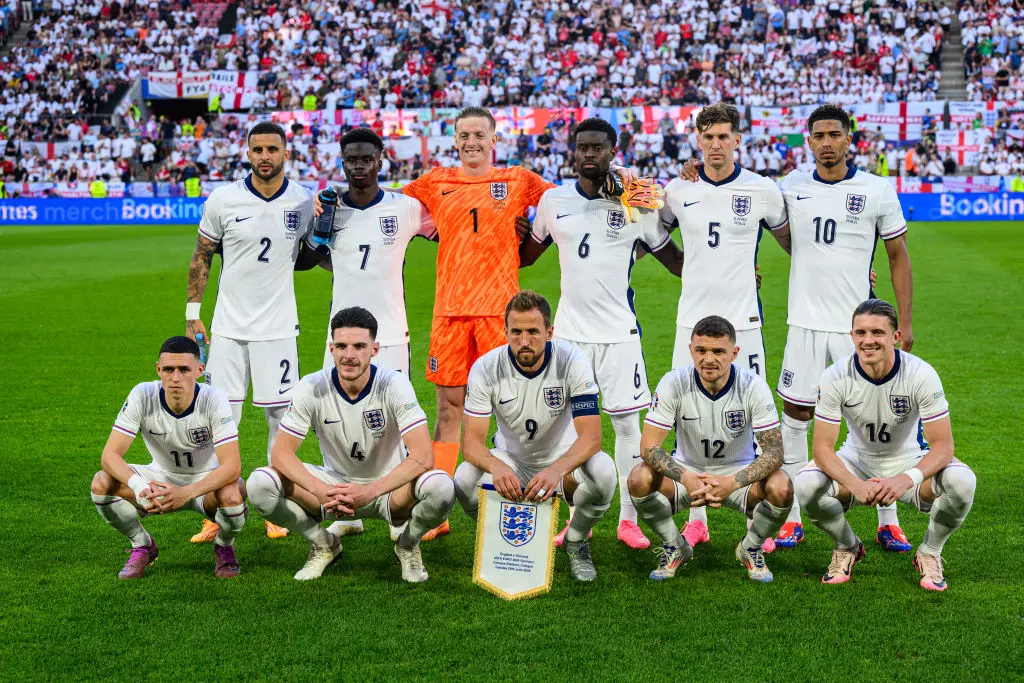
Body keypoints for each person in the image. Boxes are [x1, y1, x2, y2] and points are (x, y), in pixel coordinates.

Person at [520, 117, 683, 550]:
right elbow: (526, 254)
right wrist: (512, 233)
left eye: (598, 148)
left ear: (614, 151)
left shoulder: (635, 202)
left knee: (628, 426)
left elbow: (677, 259)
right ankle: (580, 517)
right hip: (571, 338)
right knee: (573, 431)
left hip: (620, 335)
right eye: (582, 148)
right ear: (573, 151)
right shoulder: (554, 202)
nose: (588, 154)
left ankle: (627, 520)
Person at [774, 104, 915, 552]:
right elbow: (766, 225)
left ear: (849, 138)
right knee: (795, 416)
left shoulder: (875, 189)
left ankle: (887, 517)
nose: (828, 142)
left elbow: (897, 256)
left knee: (872, 417)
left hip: (860, 329)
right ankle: (792, 515)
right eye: (820, 135)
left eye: (836, 134)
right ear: (809, 140)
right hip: (804, 325)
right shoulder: (790, 186)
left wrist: (904, 323)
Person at [660, 102, 791, 550]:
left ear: (738, 139)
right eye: (708, 137)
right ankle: (696, 517)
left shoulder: (762, 189)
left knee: (754, 420)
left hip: (745, 324)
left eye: (724, 137)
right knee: (685, 419)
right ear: (697, 139)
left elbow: (796, 243)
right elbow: (649, 237)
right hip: (689, 326)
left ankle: (758, 517)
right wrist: (685, 268)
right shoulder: (678, 190)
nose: (716, 145)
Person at [296, 127, 437, 540]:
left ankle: (396, 509)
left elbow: (447, 231)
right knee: (333, 419)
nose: (358, 165)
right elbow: (304, 260)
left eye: (366, 158)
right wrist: (320, 226)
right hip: (340, 339)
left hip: (391, 333)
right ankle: (345, 505)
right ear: (342, 161)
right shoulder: (330, 207)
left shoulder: (406, 207)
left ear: (381, 159)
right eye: (351, 159)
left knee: (397, 421)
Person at [246, 307, 455, 583]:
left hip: (389, 490)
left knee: (442, 487)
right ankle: (324, 543)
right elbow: (281, 454)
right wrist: (321, 490)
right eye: (341, 346)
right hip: (334, 487)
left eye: (359, 346)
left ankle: (407, 544)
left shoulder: (394, 384)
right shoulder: (311, 386)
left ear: (375, 349)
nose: (349, 355)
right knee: (258, 484)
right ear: (331, 349)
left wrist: (370, 491)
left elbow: (423, 455)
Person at [184, 121, 314, 542]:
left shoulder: (303, 201)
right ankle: (216, 506)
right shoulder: (223, 199)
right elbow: (202, 254)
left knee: (280, 418)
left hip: (278, 330)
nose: (264, 156)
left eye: (271, 149)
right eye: (256, 149)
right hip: (228, 329)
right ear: (247, 152)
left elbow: (317, 252)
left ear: (285, 153)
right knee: (223, 418)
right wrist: (192, 313)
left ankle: (272, 503)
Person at [795, 300, 975, 590]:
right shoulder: (835, 376)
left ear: (896, 337)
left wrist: (906, 479)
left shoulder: (920, 374)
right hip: (856, 460)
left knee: (963, 481)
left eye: (878, 332)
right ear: (851, 336)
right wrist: (854, 483)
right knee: (805, 485)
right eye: (860, 332)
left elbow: (942, 446)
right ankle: (847, 546)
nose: (868, 341)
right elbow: (823, 450)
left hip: (909, 460)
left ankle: (929, 552)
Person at [453, 291, 617, 582]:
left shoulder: (572, 361)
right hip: (511, 458)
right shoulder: (486, 367)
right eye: (516, 332)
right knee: (464, 479)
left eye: (533, 332)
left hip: (562, 458)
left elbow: (592, 438)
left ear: (549, 332)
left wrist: (556, 470)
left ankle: (576, 540)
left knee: (605, 472)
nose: (524, 341)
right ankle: (503, 541)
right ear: (505, 331)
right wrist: (497, 466)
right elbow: (471, 444)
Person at [627, 316, 791, 582]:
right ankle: (674, 545)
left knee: (781, 487)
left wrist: (732, 482)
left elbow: (774, 453)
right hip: (687, 475)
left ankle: (750, 547)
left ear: (734, 353)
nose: (709, 359)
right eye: (701, 350)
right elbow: (648, 446)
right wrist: (687, 477)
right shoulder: (674, 383)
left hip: (738, 477)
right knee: (638, 478)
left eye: (718, 351)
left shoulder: (752, 387)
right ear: (691, 350)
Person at [90, 336, 246, 580]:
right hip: (158, 480)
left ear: (199, 370)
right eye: (168, 370)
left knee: (234, 494)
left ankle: (224, 545)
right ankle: (142, 545)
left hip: (205, 485)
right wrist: (139, 486)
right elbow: (109, 456)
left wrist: (186, 492)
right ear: (158, 369)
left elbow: (232, 467)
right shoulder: (143, 394)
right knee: (101, 483)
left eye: (184, 370)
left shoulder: (214, 399)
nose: (175, 378)